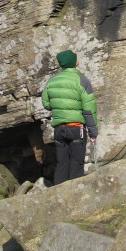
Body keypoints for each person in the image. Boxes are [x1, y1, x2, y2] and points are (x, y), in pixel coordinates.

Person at [41, 49, 98, 185]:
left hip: (59, 130)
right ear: (74, 62)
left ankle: (59, 196)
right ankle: (75, 198)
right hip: (76, 128)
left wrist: (61, 108)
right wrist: (93, 132)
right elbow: (89, 109)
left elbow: (46, 104)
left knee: (61, 163)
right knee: (76, 163)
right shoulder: (82, 80)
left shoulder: (52, 81)